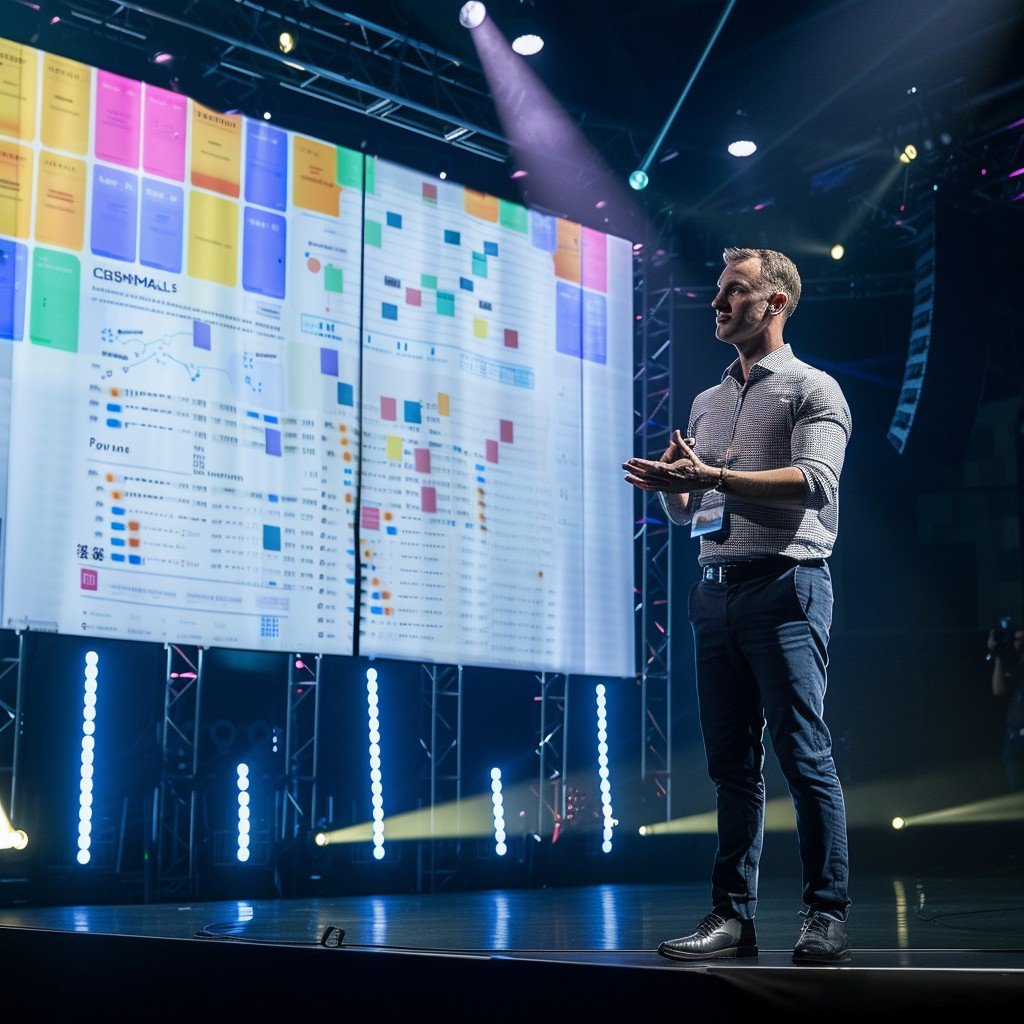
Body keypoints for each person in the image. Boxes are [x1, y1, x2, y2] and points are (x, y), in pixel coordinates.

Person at [622, 247, 853, 964]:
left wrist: (714, 474)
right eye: (719, 291)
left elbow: (815, 482)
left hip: (787, 586)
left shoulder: (813, 388)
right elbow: (698, 509)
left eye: (735, 291)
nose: (717, 302)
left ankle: (825, 914)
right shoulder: (707, 401)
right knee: (731, 767)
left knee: (803, 756)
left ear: (775, 303)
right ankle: (731, 916)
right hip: (716, 591)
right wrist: (676, 488)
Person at [990, 626, 1024, 791]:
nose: (1019, 643)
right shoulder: (1015, 666)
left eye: (1023, 639)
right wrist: (998, 656)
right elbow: (998, 689)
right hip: (1013, 736)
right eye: (1016, 639)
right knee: (1015, 790)